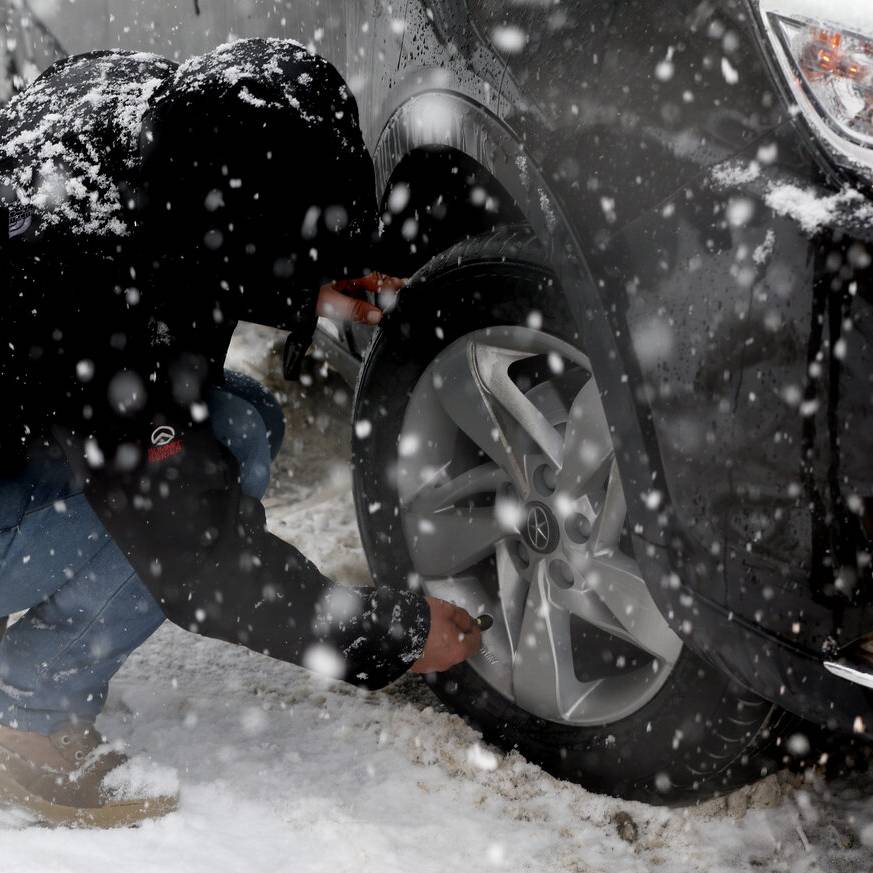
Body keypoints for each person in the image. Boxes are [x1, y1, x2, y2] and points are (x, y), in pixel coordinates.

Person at [0, 38, 481, 827]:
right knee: (219, 453)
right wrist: (382, 638)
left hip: (24, 402)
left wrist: (306, 282)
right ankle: (30, 717)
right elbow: (196, 554)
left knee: (232, 418)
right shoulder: (94, 289)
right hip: (51, 385)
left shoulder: (143, 115)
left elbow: (182, 264)